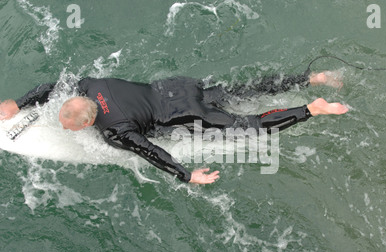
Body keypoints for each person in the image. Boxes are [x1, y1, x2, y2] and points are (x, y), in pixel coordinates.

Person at [0, 71, 348, 184]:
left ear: (89, 121)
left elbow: (152, 151)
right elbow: (51, 88)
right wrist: (19, 102)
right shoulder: (89, 86)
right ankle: (310, 78)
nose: (68, 129)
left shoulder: (115, 131)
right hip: (179, 87)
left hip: (186, 115)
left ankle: (311, 110)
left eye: (70, 125)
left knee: (249, 126)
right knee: (244, 92)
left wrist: (186, 175)